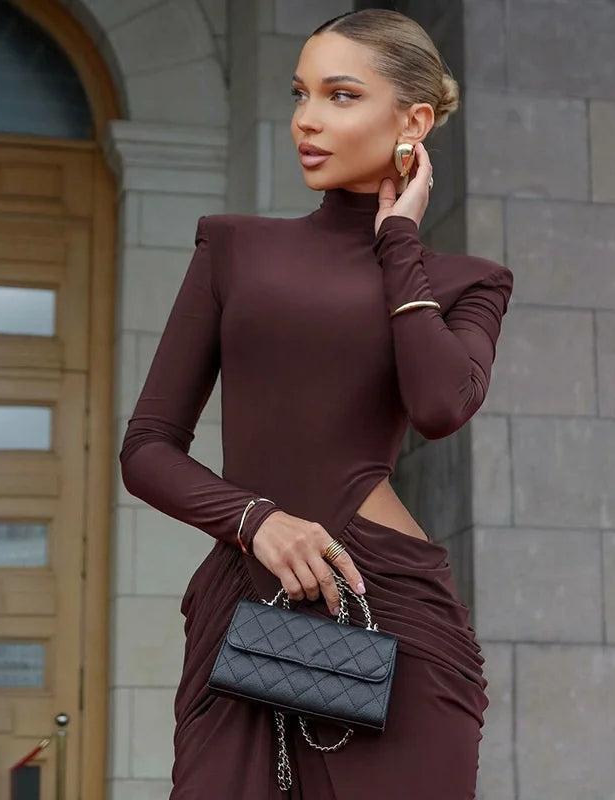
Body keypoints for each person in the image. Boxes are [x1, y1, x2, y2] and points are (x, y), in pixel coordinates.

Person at [119, 8, 513, 799]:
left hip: (390, 615)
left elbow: (441, 406)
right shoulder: (234, 250)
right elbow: (147, 449)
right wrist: (256, 520)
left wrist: (399, 242)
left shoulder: (467, 282)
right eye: (302, 93)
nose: (307, 118)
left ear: (414, 122)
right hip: (250, 603)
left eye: (340, 95)